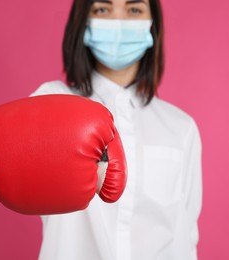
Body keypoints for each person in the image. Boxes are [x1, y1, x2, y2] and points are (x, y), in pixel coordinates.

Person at [30, 0, 203, 259]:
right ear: (83, 23)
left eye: (134, 10)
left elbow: (186, 234)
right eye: (102, 9)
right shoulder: (54, 102)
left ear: (152, 24)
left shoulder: (180, 128)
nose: (118, 21)